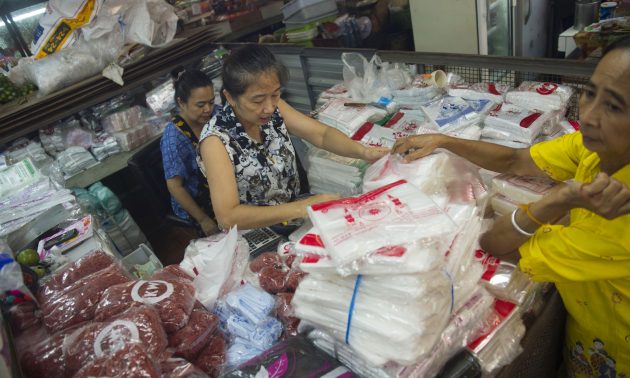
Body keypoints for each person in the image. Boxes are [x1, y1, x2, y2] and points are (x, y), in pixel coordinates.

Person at [392, 37, 630, 376]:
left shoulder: (616, 228)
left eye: (615, 106)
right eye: (591, 94)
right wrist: (443, 141)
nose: (590, 117)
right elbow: (516, 158)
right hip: (588, 336)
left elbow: (496, 244)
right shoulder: (594, 149)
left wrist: (560, 198)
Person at [198, 44, 388, 230]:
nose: (269, 107)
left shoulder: (272, 108)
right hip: (256, 234)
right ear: (230, 97)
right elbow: (228, 217)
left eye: (275, 95)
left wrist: (364, 151)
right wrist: (300, 207)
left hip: (293, 220)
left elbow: (321, 134)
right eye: (257, 100)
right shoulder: (216, 141)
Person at [160, 68, 219, 236]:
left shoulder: (215, 114)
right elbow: (175, 186)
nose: (208, 109)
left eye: (211, 101)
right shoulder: (174, 138)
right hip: (200, 201)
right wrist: (203, 219)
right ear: (181, 103)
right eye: (200, 105)